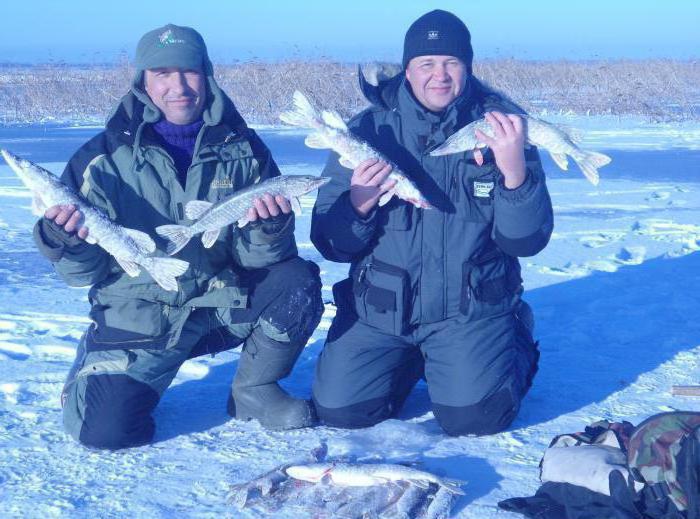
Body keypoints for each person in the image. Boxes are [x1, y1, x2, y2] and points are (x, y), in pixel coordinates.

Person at [33, 24, 323, 449]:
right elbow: (83, 275)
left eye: (189, 72)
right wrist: (64, 240)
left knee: (296, 279)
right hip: (140, 310)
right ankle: (95, 366)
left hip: (218, 301)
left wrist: (268, 228)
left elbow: (260, 262)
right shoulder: (100, 160)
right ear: (143, 82)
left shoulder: (246, 149)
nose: (178, 86)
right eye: (162, 74)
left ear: (206, 75)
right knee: (106, 433)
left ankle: (253, 391)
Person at [310, 10, 553, 436]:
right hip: (380, 310)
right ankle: (408, 360)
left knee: (475, 419)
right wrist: (359, 203)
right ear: (407, 70)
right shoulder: (365, 131)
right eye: (426, 64)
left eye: (451, 63)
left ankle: (512, 338)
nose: (439, 76)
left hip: (469, 309)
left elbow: (526, 241)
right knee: (342, 412)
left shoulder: (503, 128)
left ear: (468, 67)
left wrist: (515, 173)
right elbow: (332, 245)